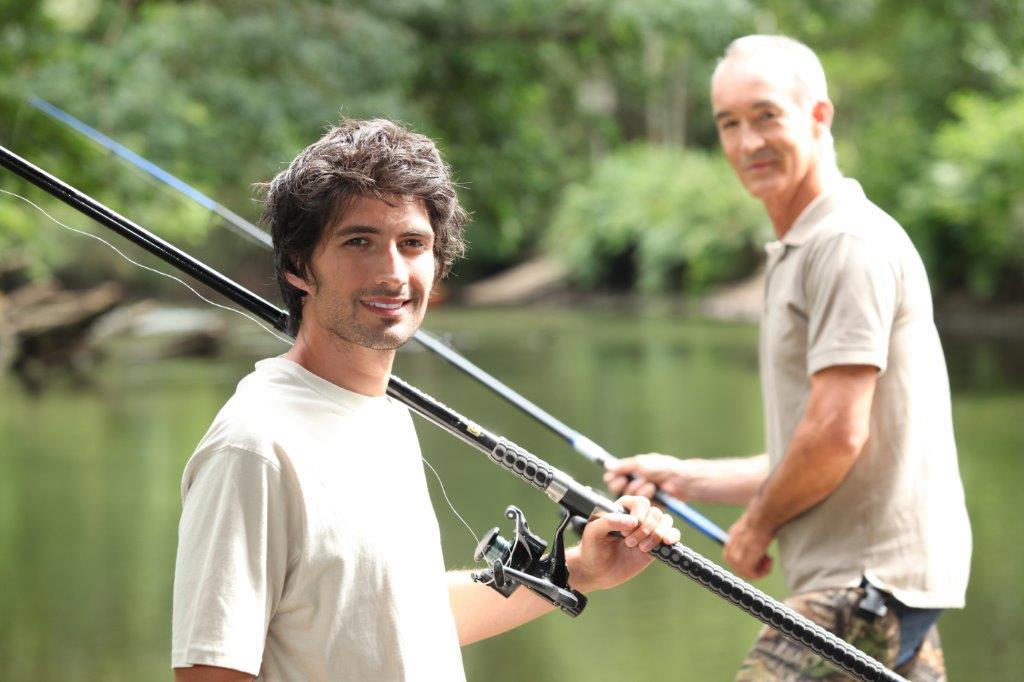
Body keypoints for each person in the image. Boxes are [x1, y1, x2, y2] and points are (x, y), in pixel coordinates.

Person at [172, 118, 680, 681]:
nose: (392, 272)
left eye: (412, 244)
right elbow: (209, 672)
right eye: (358, 241)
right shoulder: (254, 446)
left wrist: (580, 569)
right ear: (298, 268)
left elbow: (399, 622)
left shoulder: (382, 414)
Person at [605, 35, 970, 680]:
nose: (748, 143)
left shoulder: (846, 246)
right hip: (879, 587)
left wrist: (756, 525)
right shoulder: (806, 250)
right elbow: (831, 449)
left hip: (865, 587)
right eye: (729, 123)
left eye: (767, 116)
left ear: (819, 117)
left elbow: (835, 435)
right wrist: (687, 479)